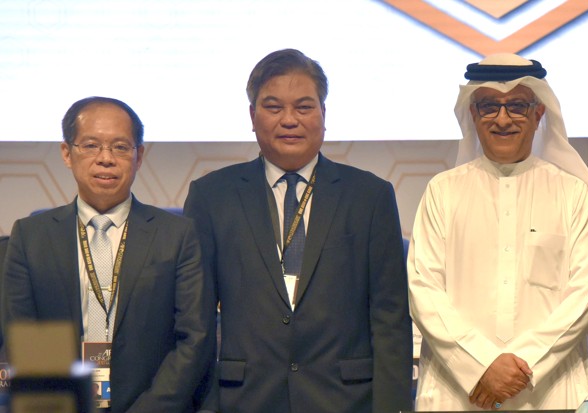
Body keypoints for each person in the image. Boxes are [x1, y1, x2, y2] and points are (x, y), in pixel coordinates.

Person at [183, 49, 412, 413]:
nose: (289, 120)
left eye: (304, 107)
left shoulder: (370, 196)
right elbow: (196, 320)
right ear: (252, 116)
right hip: (243, 399)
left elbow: (390, 319)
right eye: (273, 107)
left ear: (324, 114)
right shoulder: (212, 196)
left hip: (347, 400)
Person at [408, 53, 588, 410]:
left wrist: (520, 367)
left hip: (551, 391)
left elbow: (586, 295)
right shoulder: (442, 192)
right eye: (489, 106)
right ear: (473, 115)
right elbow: (424, 291)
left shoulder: (574, 195)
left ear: (539, 114)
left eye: (517, 106)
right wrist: (481, 366)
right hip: (459, 391)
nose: (502, 119)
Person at [0, 96, 214, 412]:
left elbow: (194, 338)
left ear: (139, 156)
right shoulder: (31, 236)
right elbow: (25, 336)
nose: (105, 159)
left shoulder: (177, 235)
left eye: (120, 147)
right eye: (90, 145)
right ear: (66, 153)